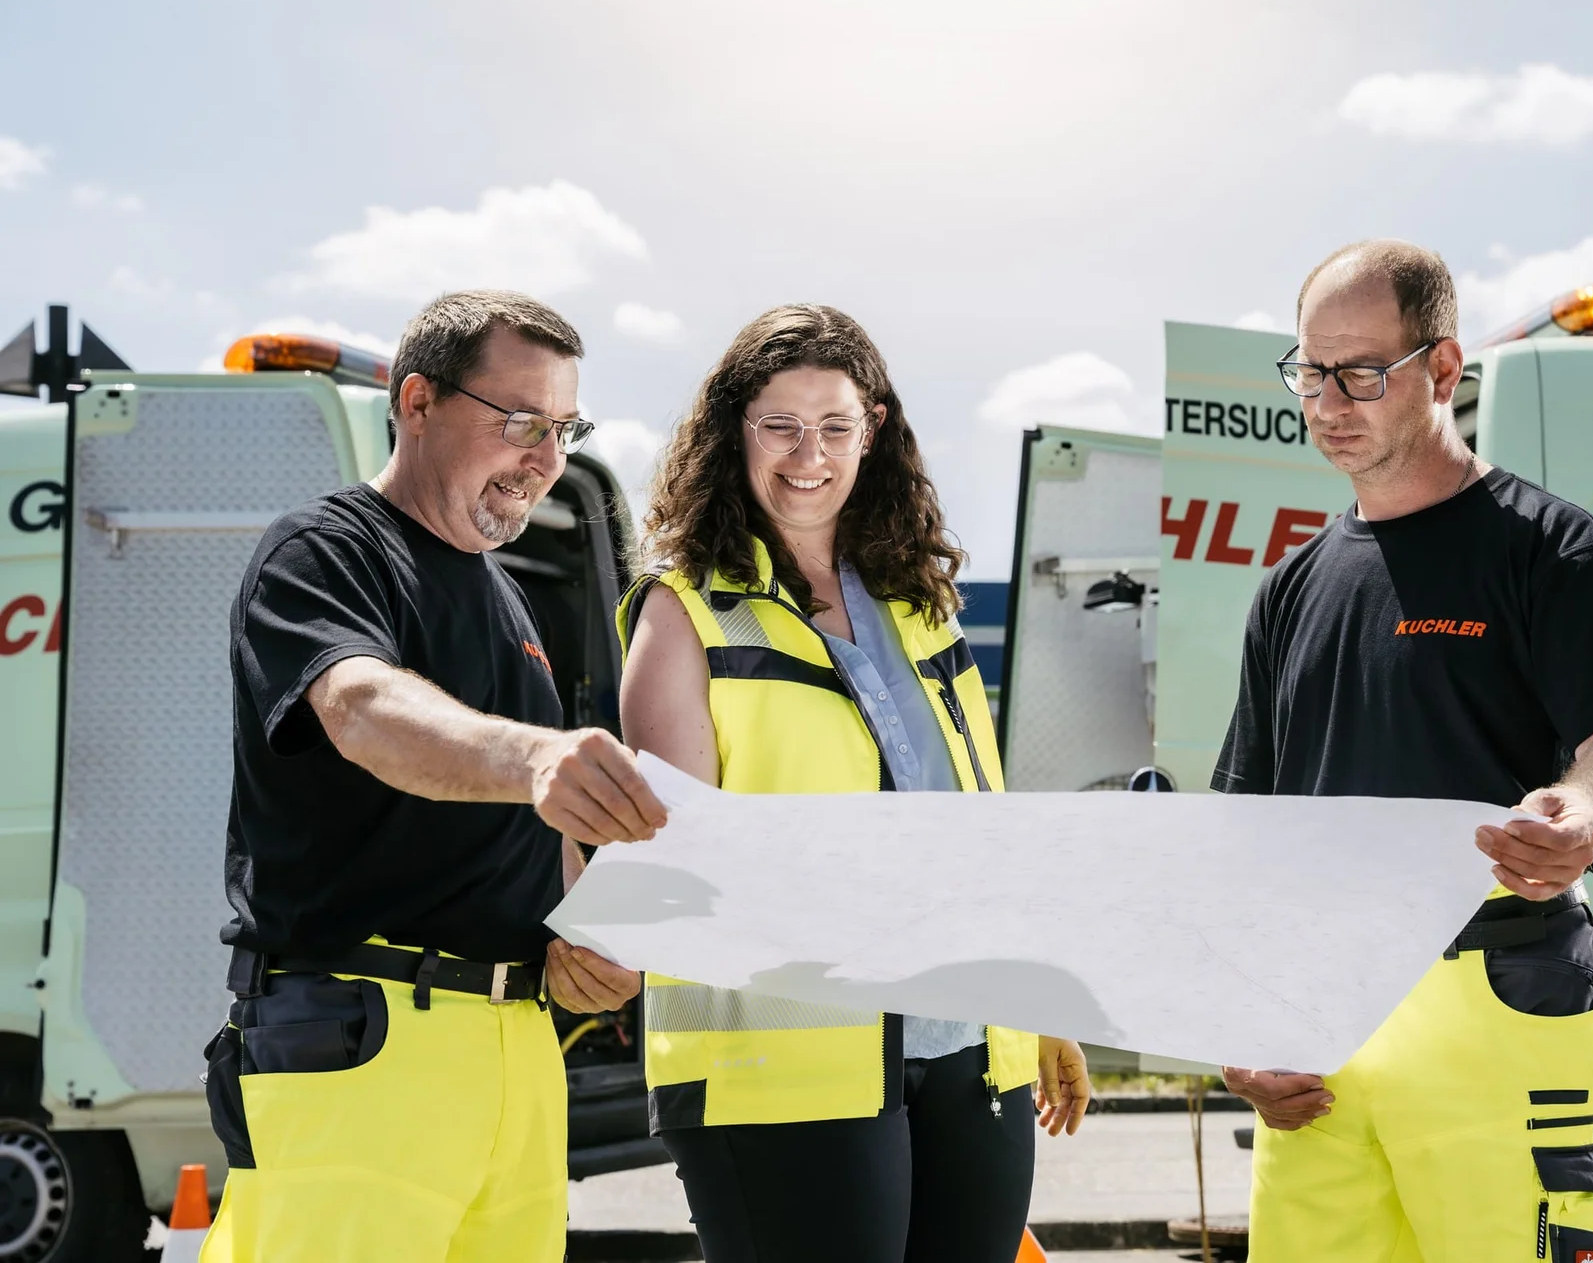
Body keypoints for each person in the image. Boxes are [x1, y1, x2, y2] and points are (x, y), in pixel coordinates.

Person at [1214, 242, 1593, 1262]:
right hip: (1317, 1037)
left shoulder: (1552, 551)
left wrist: (1587, 810)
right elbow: (1243, 832)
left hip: (1497, 1005)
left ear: (1440, 369)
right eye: (1309, 371)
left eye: (1361, 372)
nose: (1328, 400)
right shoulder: (1288, 588)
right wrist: (1235, 1021)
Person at [618, 303, 1092, 1263]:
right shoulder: (685, 616)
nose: (809, 455)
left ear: (873, 429)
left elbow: (984, 829)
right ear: (733, 434)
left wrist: (1040, 1002)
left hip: (967, 1054)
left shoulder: (923, 607)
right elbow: (676, 866)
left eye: (835, 426)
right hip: (783, 1072)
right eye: (780, 427)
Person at [201, 290, 668, 1263]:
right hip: (363, 1042)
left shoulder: (507, 599)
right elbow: (362, 708)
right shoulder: (326, 551)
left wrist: (592, 956)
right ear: (416, 401)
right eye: (521, 422)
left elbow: (539, 831)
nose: (547, 458)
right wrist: (537, 757)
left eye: (565, 428)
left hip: (518, 1054)